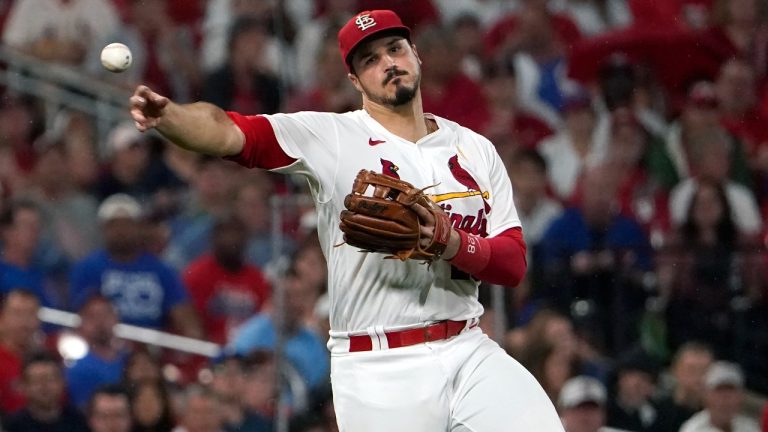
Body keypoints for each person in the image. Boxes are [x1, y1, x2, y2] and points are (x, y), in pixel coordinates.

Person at [129, 9, 564, 431]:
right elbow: (229, 131)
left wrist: (452, 243)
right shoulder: (331, 137)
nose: (387, 64)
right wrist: (172, 116)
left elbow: (512, 264)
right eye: (370, 61)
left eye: (394, 49)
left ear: (416, 54)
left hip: (467, 346)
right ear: (355, 80)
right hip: (379, 364)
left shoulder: (475, 148)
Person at [2, 352, 89, 432]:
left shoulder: (79, 421)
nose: (43, 386)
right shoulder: (11, 426)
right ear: (24, 386)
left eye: (50, 379)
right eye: (36, 380)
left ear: (63, 382)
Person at [680, 361, 760, 432]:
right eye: (719, 391)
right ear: (706, 395)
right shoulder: (692, 429)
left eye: (731, 391)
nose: (725, 399)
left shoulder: (750, 427)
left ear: (740, 396)